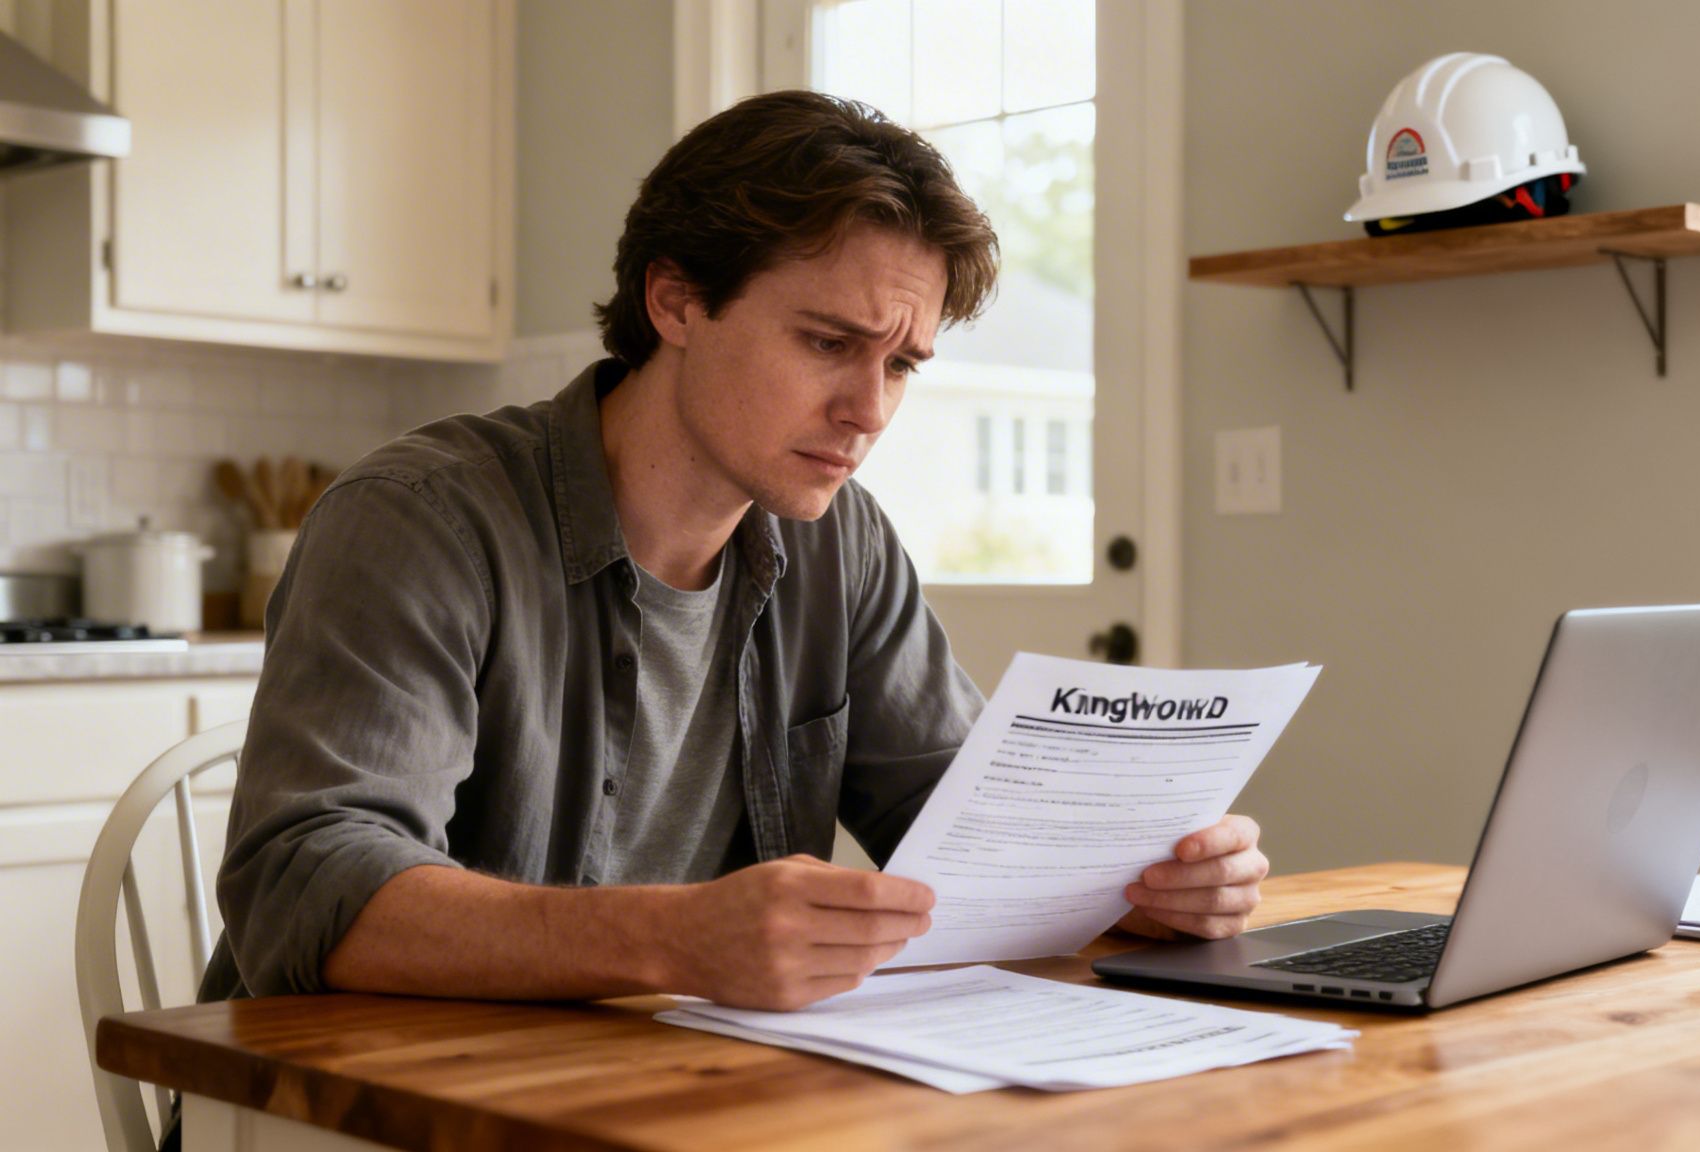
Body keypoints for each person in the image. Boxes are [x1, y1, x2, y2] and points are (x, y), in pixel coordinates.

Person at [201, 90, 1268, 1016]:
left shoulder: (838, 540)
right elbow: (308, 885)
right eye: (828, 342)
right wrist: (672, 939)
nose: (867, 410)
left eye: (902, 364)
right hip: (343, 1110)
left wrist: (1145, 886)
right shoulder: (421, 519)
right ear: (676, 300)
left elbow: (975, 842)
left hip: (660, 1090)